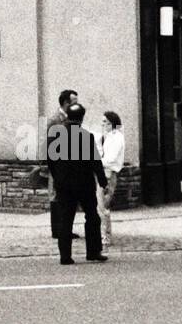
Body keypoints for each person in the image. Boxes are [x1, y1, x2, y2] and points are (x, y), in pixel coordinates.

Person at [46, 102, 107, 265]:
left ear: (68, 117)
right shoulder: (86, 136)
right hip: (84, 184)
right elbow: (95, 161)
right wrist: (102, 180)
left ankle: (65, 256)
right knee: (92, 217)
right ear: (81, 118)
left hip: (64, 185)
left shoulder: (55, 136)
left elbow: (50, 160)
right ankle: (93, 251)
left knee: (65, 219)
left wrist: (57, 177)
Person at [47, 90, 80, 241]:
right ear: (66, 103)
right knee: (56, 196)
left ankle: (66, 229)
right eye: (74, 103)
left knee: (68, 197)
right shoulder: (55, 120)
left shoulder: (72, 118)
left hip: (69, 164)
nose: (76, 106)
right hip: (58, 163)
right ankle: (57, 230)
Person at [97, 111, 125, 251]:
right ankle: (103, 234)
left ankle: (105, 236)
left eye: (106, 122)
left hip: (108, 173)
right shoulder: (109, 137)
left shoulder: (116, 138)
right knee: (101, 206)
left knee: (103, 206)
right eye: (102, 122)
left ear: (112, 123)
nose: (103, 125)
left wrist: (95, 162)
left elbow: (111, 159)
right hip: (105, 172)